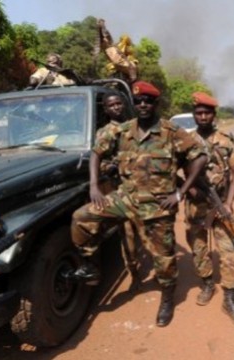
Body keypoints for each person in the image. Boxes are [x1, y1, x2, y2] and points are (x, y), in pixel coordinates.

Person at [64, 81, 207, 327]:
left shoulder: (171, 132)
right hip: (126, 199)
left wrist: (180, 193)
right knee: (82, 218)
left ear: (155, 104)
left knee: (163, 258)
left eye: (147, 101)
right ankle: (90, 265)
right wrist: (94, 185)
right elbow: (97, 152)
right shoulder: (122, 131)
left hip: (157, 206)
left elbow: (200, 157)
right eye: (138, 101)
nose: (142, 105)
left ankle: (167, 298)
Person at [183, 91, 234, 326]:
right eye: (198, 113)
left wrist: (228, 203)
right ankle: (208, 283)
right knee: (199, 249)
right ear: (194, 115)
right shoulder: (186, 141)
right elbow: (176, 173)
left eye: (206, 112)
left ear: (213, 114)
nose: (202, 116)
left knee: (230, 252)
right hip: (196, 207)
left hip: (220, 205)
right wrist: (189, 190)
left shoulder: (225, 139)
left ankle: (230, 299)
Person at [96, 93, 140, 288]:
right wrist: (112, 166)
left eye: (118, 103)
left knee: (150, 230)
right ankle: (135, 273)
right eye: (111, 105)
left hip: (143, 188)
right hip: (121, 189)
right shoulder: (105, 132)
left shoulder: (136, 126)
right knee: (128, 234)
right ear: (106, 109)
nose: (116, 107)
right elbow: (98, 161)